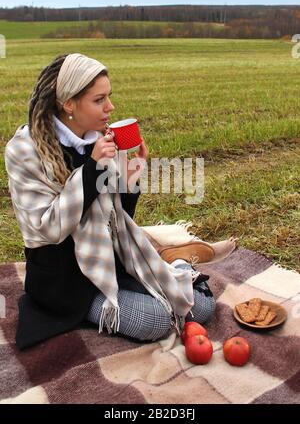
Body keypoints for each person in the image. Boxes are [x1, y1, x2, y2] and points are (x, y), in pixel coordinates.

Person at [4, 52, 226, 351]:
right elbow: (47, 229)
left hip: (112, 259)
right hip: (65, 280)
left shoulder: (100, 140)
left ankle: (176, 262)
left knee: (200, 307)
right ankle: (176, 262)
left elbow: (116, 218)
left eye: (109, 97)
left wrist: (128, 181)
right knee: (157, 321)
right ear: (69, 103)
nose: (111, 107)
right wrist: (93, 168)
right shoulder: (25, 150)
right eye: (99, 100)